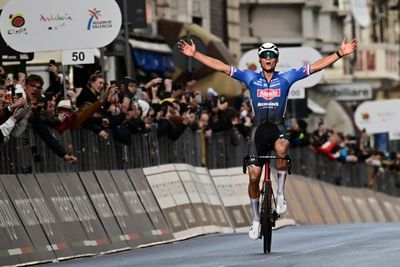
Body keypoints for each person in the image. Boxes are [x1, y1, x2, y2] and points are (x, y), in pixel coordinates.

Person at [178, 38, 358, 240]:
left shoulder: (287, 77)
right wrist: (195, 55)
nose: (268, 59)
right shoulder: (250, 77)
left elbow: (314, 67)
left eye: (272, 56)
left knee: (282, 149)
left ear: (276, 59)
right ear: (260, 59)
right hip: (258, 130)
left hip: (278, 127)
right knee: (253, 178)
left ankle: (280, 194)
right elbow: (221, 67)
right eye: (264, 56)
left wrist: (340, 54)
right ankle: (255, 219)